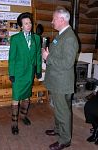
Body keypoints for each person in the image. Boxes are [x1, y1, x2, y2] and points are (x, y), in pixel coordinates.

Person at [43, 7, 79, 150]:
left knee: (62, 111)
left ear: (62, 20)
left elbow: (67, 63)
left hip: (62, 82)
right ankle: (58, 130)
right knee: (59, 108)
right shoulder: (61, 35)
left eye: (54, 19)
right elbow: (57, 54)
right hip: (57, 80)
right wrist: (47, 54)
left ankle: (65, 140)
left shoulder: (69, 37)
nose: (52, 22)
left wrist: (48, 57)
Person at [8, 12, 42, 135]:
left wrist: (38, 70)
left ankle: (23, 116)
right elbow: (11, 58)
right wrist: (11, 73)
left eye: (30, 23)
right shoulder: (15, 39)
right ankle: (14, 122)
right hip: (17, 73)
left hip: (29, 73)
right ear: (21, 26)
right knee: (16, 97)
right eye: (26, 23)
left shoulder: (37, 38)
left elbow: (38, 55)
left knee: (27, 95)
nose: (29, 25)